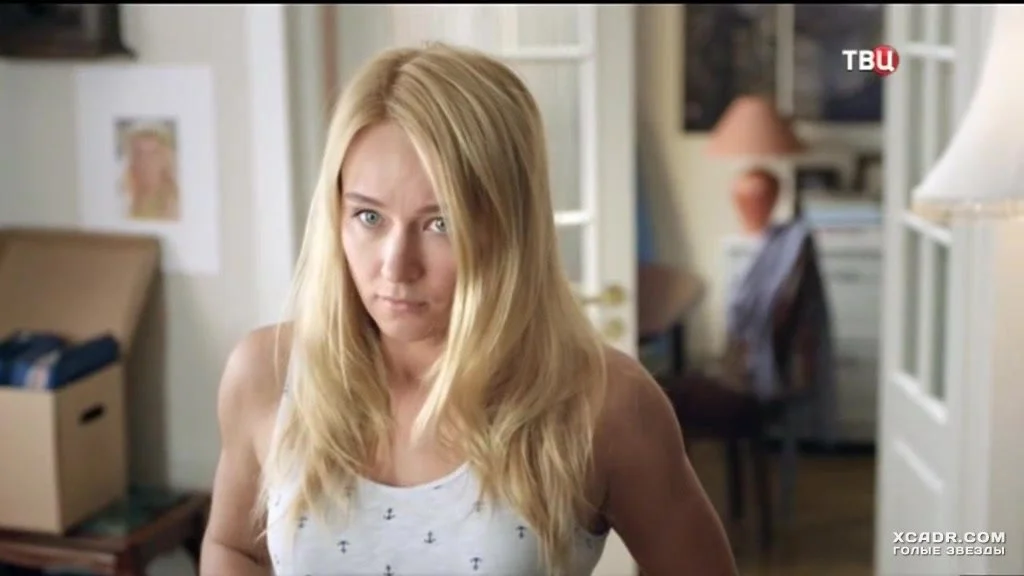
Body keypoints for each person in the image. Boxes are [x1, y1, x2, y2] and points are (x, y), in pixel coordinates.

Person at [200, 43, 736, 576]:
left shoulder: (606, 404)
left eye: (441, 224)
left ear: (510, 227)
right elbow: (235, 548)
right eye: (369, 217)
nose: (396, 266)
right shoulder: (266, 373)